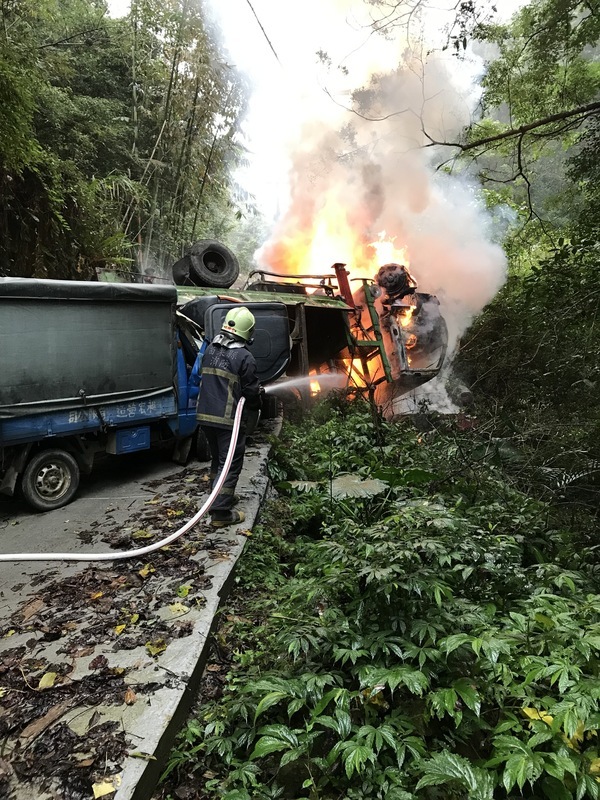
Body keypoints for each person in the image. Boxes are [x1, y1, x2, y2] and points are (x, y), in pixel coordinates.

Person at [196, 306, 262, 528]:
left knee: (218, 460)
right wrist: (257, 402)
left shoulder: (210, 350)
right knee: (231, 464)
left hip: (205, 416)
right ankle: (220, 513)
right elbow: (251, 392)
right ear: (248, 332)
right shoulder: (244, 357)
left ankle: (217, 498)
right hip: (227, 420)